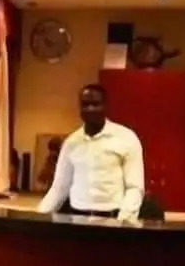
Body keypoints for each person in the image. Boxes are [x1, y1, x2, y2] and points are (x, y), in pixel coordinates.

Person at [37, 83, 145, 221]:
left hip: (113, 219)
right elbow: (59, 188)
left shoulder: (126, 138)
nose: (90, 109)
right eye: (85, 105)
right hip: (77, 219)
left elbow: (134, 187)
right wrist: (38, 218)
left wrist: (124, 221)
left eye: (95, 104)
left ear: (105, 106)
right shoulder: (71, 143)